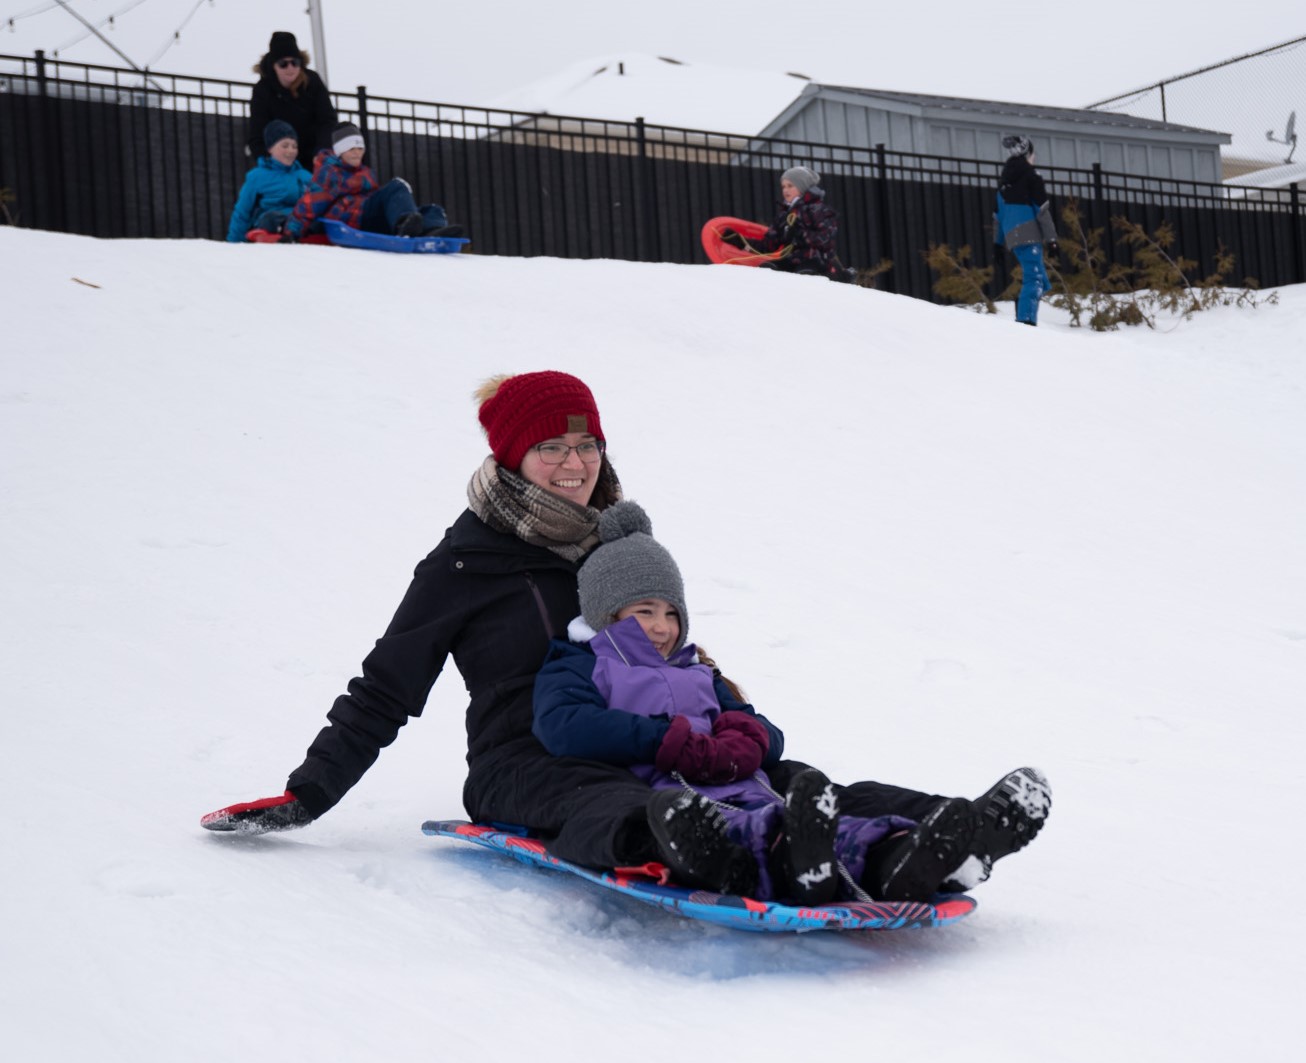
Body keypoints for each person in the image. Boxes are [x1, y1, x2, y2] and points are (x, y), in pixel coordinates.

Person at [202, 370, 1050, 904]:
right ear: (510, 457)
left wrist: (739, 728)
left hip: (658, 738)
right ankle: (707, 844)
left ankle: (941, 833)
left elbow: (680, 654)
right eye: (550, 448)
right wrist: (306, 793)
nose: (574, 464)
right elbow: (385, 689)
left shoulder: (612, 544)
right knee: (617, 804)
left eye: (586, 446)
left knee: (785, 776)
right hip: (533, 758)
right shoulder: (461, 565)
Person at [533, 500, 1053, 903]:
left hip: (743, 781)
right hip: (678, 789)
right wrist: (671, 741)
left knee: (822, 797)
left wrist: (747, 739)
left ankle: (940, 840)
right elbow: (564, 724)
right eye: (645, 611)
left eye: (671, 613)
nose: (663, 626)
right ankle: (808, 858)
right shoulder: (583, 663)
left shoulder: (696, 668)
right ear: (607, 611)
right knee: (756, 823)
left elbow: (756, 726)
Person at [280, 121, 464, 242]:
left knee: (432, 209)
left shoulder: (365, 172)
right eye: (350, 148)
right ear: (339, 151)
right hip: (353, 218)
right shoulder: (330, 172)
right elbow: (310, 203)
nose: (356, 152)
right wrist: (290, 232)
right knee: (396, 186)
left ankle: (432, 232)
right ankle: (406, 226)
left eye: (360, 148)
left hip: (369, 215)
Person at [724, 166, 853, 282]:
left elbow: (825, 239)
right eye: (783, 186)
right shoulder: (785, 215)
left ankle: (831, 279)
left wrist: (801, 233)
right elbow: (769, 245)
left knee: (805, 274)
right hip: (792, 259)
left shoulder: (818, 210)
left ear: (802, 186)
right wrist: (741, 242)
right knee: (769, 270)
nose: (786, 190)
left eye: (790, 186)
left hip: (816, 260)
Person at [993, 135, 1059, 326]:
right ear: (1027, 153)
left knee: (1042, 281)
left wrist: (997, 244)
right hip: (1029, 233)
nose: (1034, 157)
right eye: (1033, 153)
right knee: (1035, 279)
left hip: (1011, 235)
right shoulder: (1032, 177)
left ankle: (1021, 303)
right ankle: (1025, 321)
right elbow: (1042, 211)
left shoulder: (1004, 183)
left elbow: (997, 216)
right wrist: (1052, 239)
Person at [246, 31, 337, 166]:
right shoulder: (263, 90)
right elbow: (257, 133)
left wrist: (321, 153)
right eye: (283, 63)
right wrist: (267, 162)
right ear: (274, 65)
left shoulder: (312, 82)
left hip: (313, 158)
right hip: (280, 162)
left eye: (295, 62)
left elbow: (327, 121)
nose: (290, 68)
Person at [225, 120, 312, 241]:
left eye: (294, 146)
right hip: (270, 223)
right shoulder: (258, 176)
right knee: (272, 218)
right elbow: (242, 212)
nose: (291, 151)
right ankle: (279, 240)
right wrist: (234, 243)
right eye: (285, 146)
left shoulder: (305, 176)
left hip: (299, 222)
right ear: (270, 148)